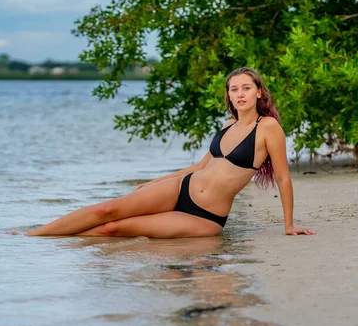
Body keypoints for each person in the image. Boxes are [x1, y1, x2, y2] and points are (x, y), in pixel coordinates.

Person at [26, 67, 316, 238]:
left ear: (259, 93)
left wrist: (288, 225)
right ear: (228, 95)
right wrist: (154, 182)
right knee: (105, 210)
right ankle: (35, 236)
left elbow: (283, 178)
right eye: (233, 89)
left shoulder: (268, 128)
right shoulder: (228, 125)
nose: (239, 94)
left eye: (246, 88)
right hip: (181, 188)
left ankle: (58, 241)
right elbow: (200, 166)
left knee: (112, 229)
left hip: (205, 217)